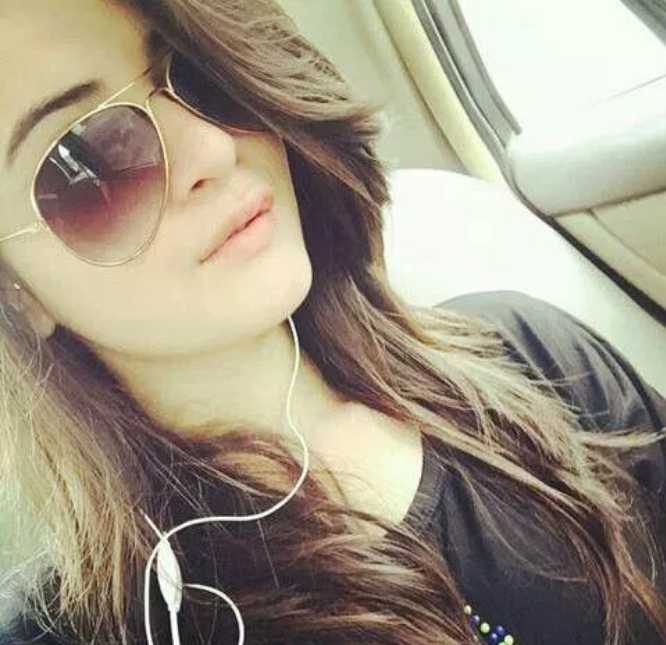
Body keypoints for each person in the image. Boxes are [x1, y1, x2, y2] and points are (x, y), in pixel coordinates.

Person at [0, 1, 664, 643]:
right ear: (16, 290)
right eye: (89, 159)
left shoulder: (531, 357)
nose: (211, 149)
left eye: (195, 70)